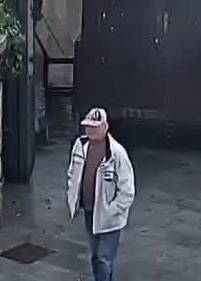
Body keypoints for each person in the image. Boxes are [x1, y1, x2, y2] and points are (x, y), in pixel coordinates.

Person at [66, 107, 135, 281]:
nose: (90, 130)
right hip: (90, 211)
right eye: (88, 126)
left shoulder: (117, 153)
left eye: (95, 127)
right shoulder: (80, 146)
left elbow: (127, 189)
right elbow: (72, 172)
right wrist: (72, 196)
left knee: (103, 258)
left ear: (105, 127)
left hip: (110, 217)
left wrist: (113, 210)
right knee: (96, 256)